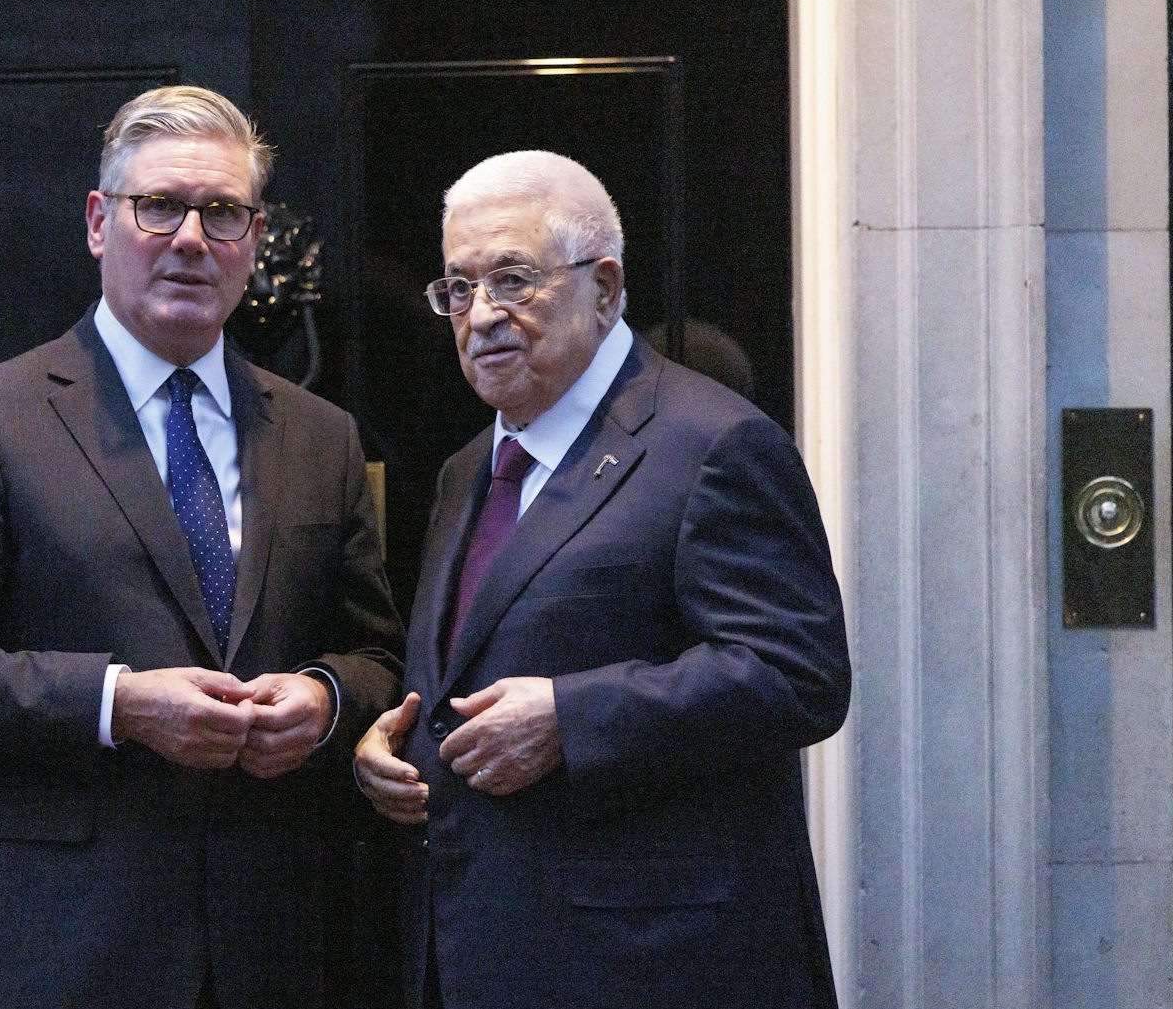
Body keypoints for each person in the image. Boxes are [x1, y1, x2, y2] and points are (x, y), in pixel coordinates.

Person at [0, 85, 404, 1009]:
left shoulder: (322, 436)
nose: (191, 238)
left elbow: (379, 655)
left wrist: (324, 696)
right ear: (98, 222)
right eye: (159, 206)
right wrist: (121, 703)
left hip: (271, 949)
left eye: (222, 212)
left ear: (253, 239)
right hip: (57, 953)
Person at [353, 150, 850, 1009]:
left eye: (513, 280)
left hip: (653, 967)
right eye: (459, 289)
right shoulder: (467, 469)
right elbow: (485, 661)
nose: (482, 315)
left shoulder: (713, 443)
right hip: (478, 952)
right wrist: (397, 744)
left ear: (606, 288)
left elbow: (799, 674)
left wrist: (571, 718)